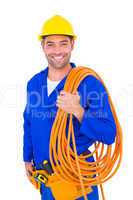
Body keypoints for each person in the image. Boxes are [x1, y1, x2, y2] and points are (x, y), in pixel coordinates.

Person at [23, 15, 116, 200]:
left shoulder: (88, 84)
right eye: (50, 44)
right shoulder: (34, 83)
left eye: (63, 43)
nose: (57, 50)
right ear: (42, 46)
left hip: (77, 179)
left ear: (72, 45)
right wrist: (27, 157)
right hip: (47, 178)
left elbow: (108, 133)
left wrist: (79, 112)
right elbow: (29, 123)